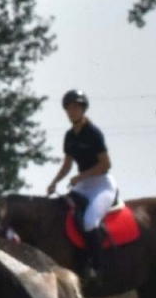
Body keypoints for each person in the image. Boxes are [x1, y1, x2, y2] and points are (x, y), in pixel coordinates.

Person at [47, 89, 117, 279]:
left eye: (76, 107)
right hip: (84, 185)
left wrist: (81, 176)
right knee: (64, 212)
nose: (72, 111)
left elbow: (105, 165)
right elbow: (67, 164)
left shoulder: (93, 133)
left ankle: (97, 266)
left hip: (102, 185)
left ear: (83, 109)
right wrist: (54, 182)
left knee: (89, 221)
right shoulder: (69, 136)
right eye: (69, 108)